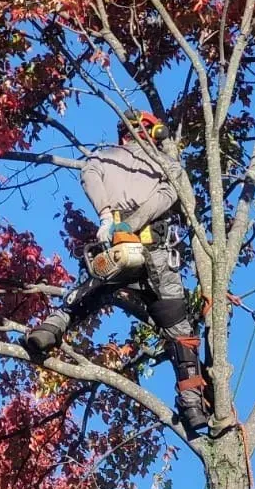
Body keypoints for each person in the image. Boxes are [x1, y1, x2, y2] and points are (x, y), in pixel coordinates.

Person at [22, 113, 209, 435]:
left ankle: (50, 328)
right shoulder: (166, 164)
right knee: (179, 326)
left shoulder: (101, 156)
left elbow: (89, 175)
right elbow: (169, 195)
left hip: (118, 246)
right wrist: (130, 225)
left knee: (89, 292)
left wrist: (108, 217)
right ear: (153, 132)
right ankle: (192, 402)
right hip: (156, 249)